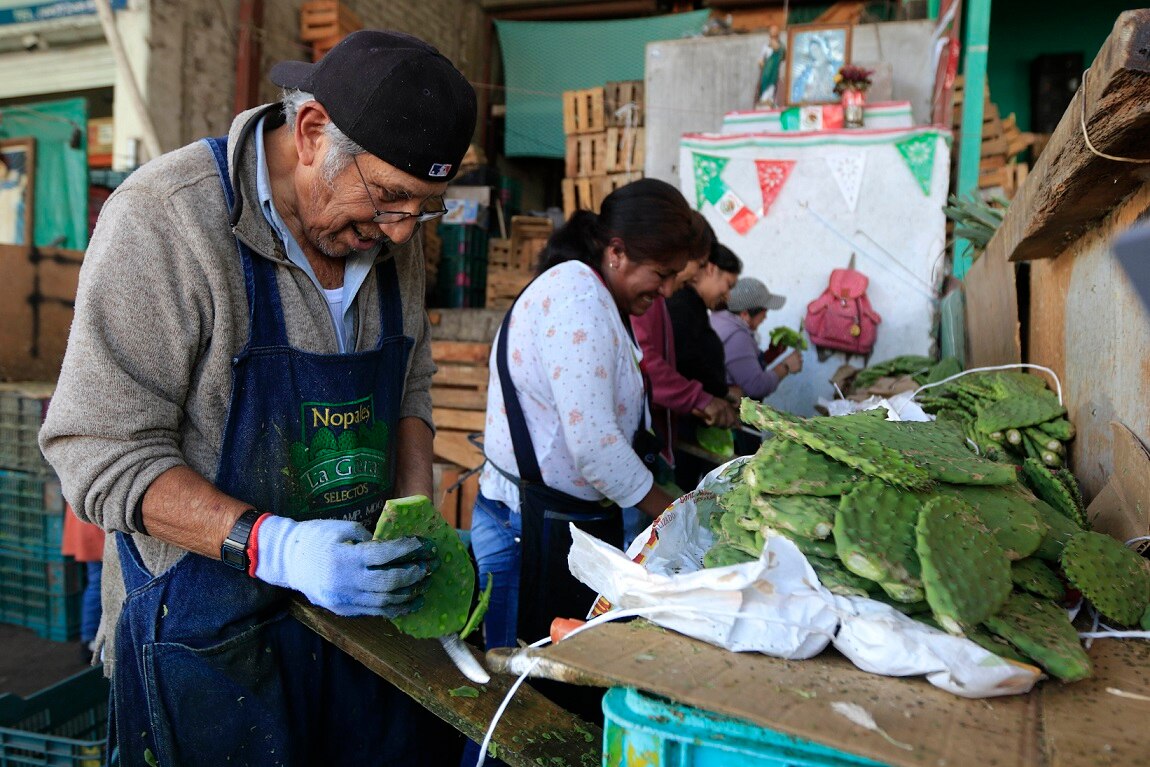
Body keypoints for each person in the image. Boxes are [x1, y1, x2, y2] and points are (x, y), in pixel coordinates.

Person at [39, 30, 476, 766]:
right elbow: (99, 450)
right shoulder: (167, 220)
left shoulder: (383, 236)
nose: (402, 229)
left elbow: (409, 382)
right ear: (310, 133)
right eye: (391, 196)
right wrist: (274, 544)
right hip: (207, 646)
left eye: (424, 207)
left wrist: (414, 521)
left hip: (358, 641)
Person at [469, 178, 704, 714]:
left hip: (558, 524)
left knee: (546, 700)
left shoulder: (598, 297)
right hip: (523, 531)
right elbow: (595, 447)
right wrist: (672, 512)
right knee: (513, 709)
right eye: (662, 275)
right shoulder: (576, 297)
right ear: (617, 252)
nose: (665, 291)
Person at [628, 212, 733, 545]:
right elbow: (649, 368)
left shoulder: (659, 298)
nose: (673, 287)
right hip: (637, 455)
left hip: (656, 444)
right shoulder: (643, 300)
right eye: (694, 268)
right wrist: (700, 399)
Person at [666, 242, 743, 489]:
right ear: (710, 269)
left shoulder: (695, 308)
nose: (728, 296)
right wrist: (714, 397)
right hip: (684, 417)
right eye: (728, 285)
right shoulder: (682, 305)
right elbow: (685, 362)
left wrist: (723, 395)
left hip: (696, 414)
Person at [710, 276, 803, 454]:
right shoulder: (737, 336)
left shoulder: (721, 320)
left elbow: (738, 367)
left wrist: (769, 356)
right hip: (730, 420)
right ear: (745, 314)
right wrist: (785, 367)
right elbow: (755, 386)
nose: (766, 316)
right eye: (763, 311)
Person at [60, 508, 104, 663]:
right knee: (98, 583)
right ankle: (90, 640)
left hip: (87, 524)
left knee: (96, 581)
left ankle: (90, 639)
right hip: (93, 526)